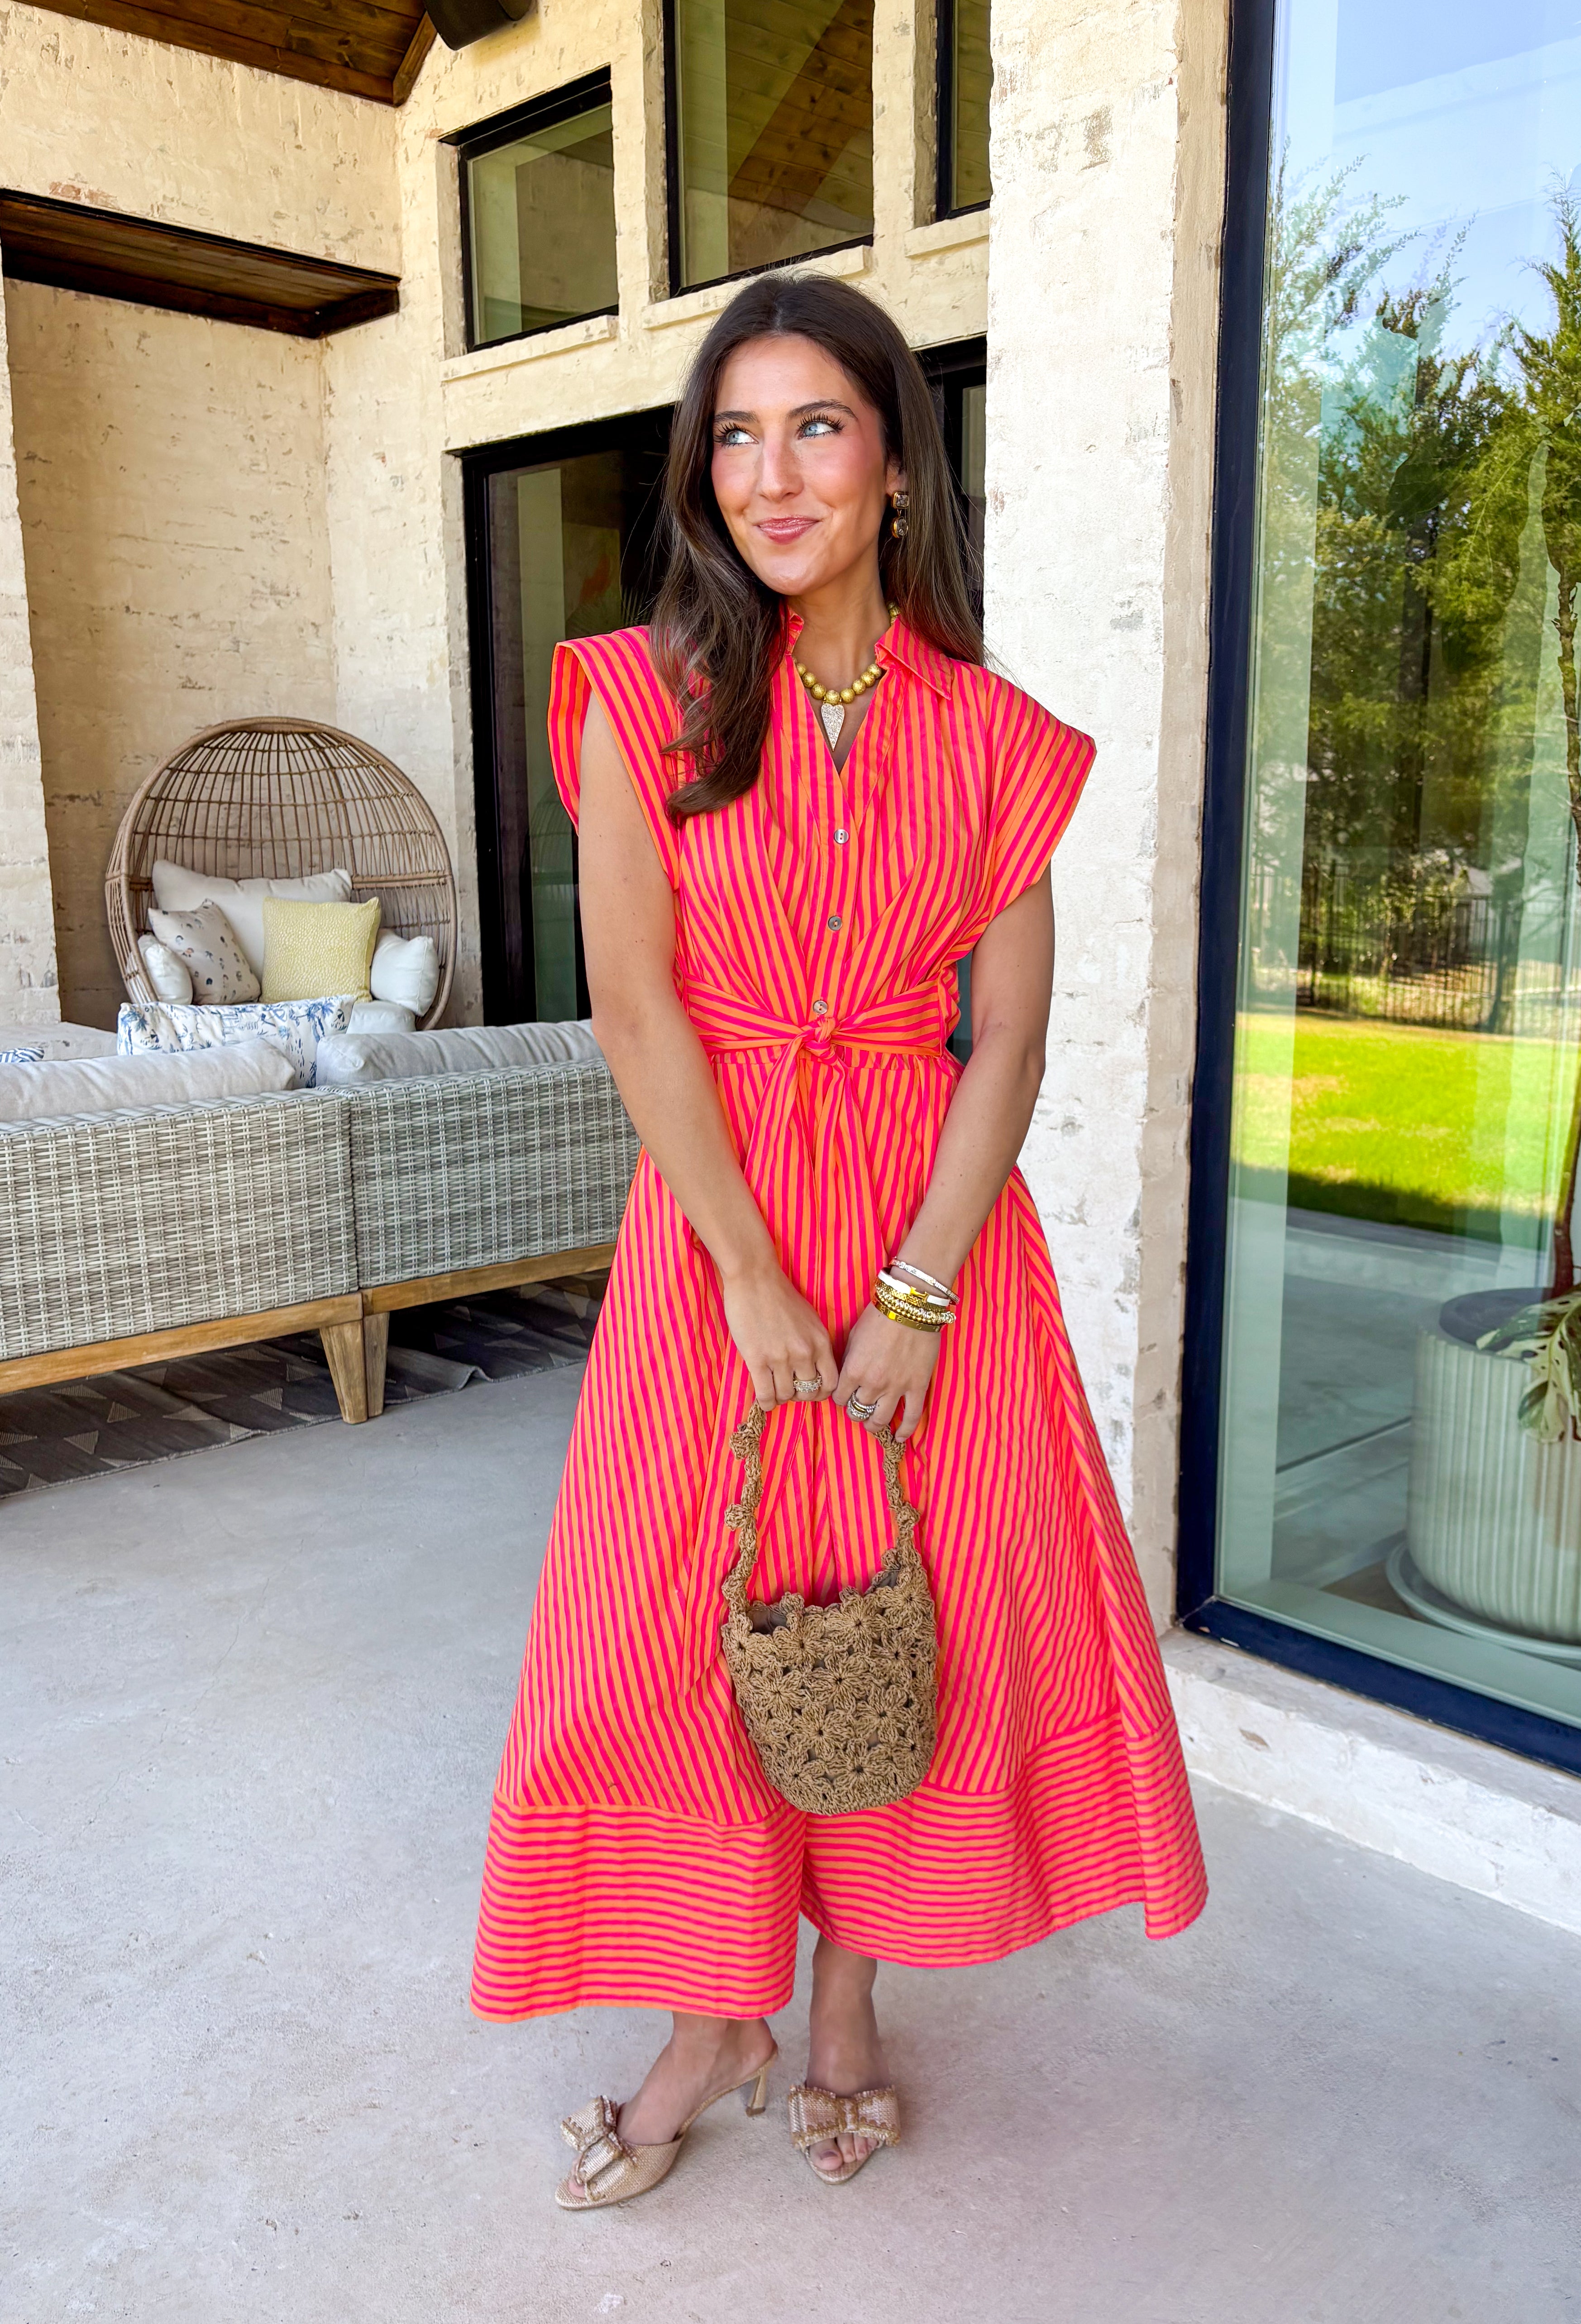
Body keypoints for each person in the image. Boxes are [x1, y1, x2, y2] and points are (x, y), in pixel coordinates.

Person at [471, 269, 1207, 2205]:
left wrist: (912, 1290)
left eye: (816, 426)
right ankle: (719, 2006)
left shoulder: (998, 738)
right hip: (713, 1234)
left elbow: (1010, 1036)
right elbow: (636, 1007)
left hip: (926, 1243)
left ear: (893, 465)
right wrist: (745, 1267)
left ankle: (851, 1995)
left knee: (906, 1616)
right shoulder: (642, 696)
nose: (770, 472)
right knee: (675, 1624)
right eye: (735, 433)